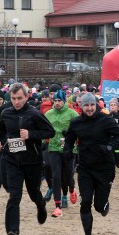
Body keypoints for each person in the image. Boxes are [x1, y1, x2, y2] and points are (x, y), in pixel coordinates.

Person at [63, 93, 119, 235]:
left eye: (92, 105)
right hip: (85, 168)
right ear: (81, 107)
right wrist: (67, 151)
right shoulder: (76, 123)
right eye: (86, 105)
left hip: (105, 168)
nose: (89, 108)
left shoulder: (105, 120)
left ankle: (104, 204)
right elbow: (69, 140)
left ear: (96, 105)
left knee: (99, 206)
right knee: (85, 202)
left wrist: (110, 146)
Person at [0, 83, 54, 235]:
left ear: (27, 97)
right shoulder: (6, 113)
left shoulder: (34, 114)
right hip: (11, 160)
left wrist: (31, 134)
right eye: (13, 99)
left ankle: (41, 205)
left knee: (34, 193)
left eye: (20, 98)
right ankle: (13, 233)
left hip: (32, 161)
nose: (16, 102)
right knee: (14, 196)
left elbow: (50, 132)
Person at [44, 89, 79, 217]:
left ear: (64, 101)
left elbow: (79, 129)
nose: (57, 103)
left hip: (69, 148)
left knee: (68, 175)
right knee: (56, 175)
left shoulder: (72, 114)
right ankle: (58, 205)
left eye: (60, 101)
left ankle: (71, 189)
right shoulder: (49, 114)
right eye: (55, 100)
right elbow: (44, 129)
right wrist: (42, 142)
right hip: (53, 147)